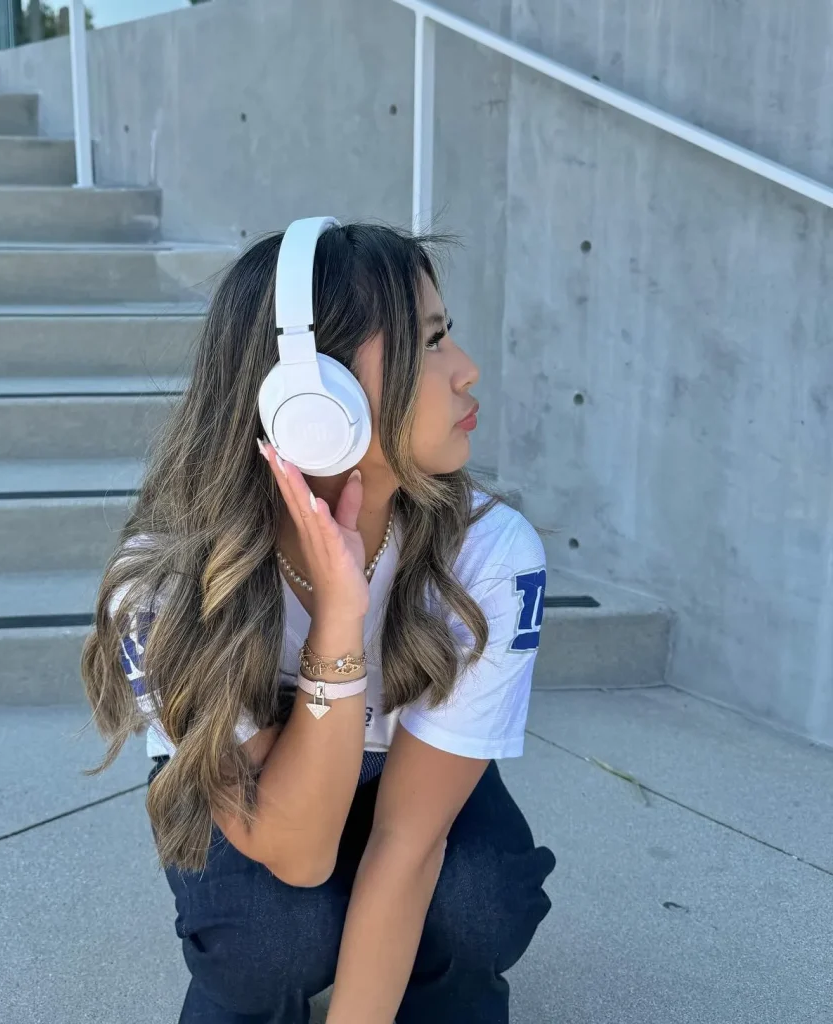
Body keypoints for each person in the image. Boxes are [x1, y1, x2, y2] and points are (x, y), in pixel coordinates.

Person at [81, 220, 556, 1024]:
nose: (468, 369)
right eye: (430, 342)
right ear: (312, 401)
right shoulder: (161, 584)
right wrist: (338, 621)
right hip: (267, 794)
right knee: (269, 937)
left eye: (448, 334)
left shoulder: (491, 554)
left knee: (478, 901)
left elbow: (409, 843)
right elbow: (297, 853)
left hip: (402, 767)